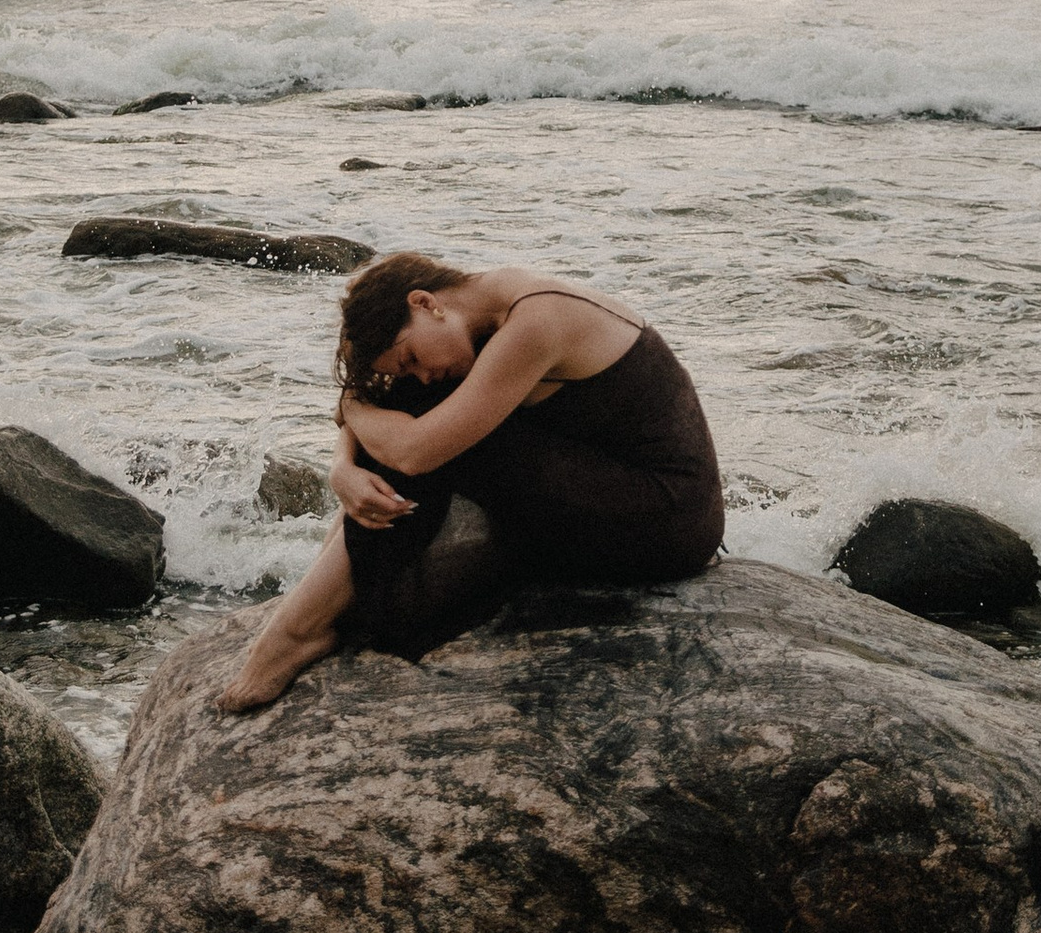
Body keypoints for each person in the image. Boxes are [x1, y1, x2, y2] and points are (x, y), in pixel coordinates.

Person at [218, 249, 724, 710]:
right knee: (415, 410)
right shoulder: (481, 304)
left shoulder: (538, 320)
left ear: (425, 303)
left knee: (426, 433)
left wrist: (352, 411)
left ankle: (297, 632)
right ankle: (322, 606)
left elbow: (414, 452)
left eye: (411, 358)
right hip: (607, 495)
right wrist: (342, 467)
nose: (419, 371)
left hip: (664, 521)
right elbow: (386, 404)